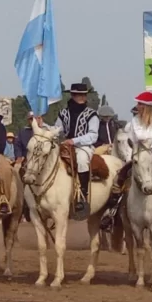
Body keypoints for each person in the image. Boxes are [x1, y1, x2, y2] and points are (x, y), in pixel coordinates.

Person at [100, 91, 152, 229]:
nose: (137, 106)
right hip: (138, 157)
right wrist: (136, 154)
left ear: (147, 106)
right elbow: (131, 141)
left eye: (140, 104)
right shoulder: (134, 121)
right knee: (119, 178)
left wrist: (148, 147)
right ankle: (112, 212)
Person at [54, 83, 100, 220]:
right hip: (66, 145)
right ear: (72, 95)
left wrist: (74, 141)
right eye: (78, 94)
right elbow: (57, 130)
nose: (81, 97)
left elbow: (93, 135)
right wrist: (42, 126)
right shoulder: (63, 113)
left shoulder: (92, 114)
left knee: (81, 160)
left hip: (84, 146)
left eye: (83, 94)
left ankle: (83, 195)